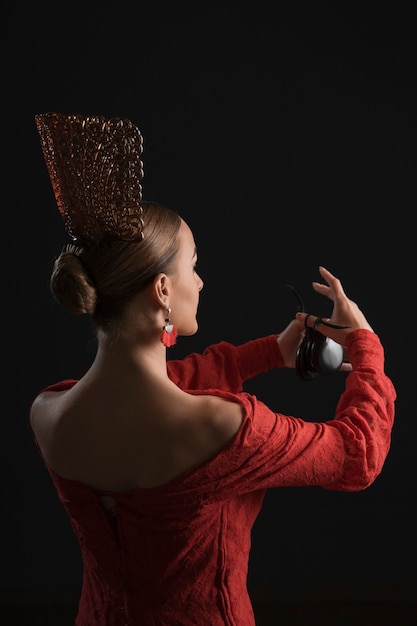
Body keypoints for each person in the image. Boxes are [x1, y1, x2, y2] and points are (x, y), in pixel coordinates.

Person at [30, 112, 396, 626]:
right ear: (161, 289)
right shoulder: (228, 429)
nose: (199, 282)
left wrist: (269, 351)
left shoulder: (48, 412)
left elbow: (163, 385)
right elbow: (360, 454)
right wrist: (365, 345)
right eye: (193, 266)